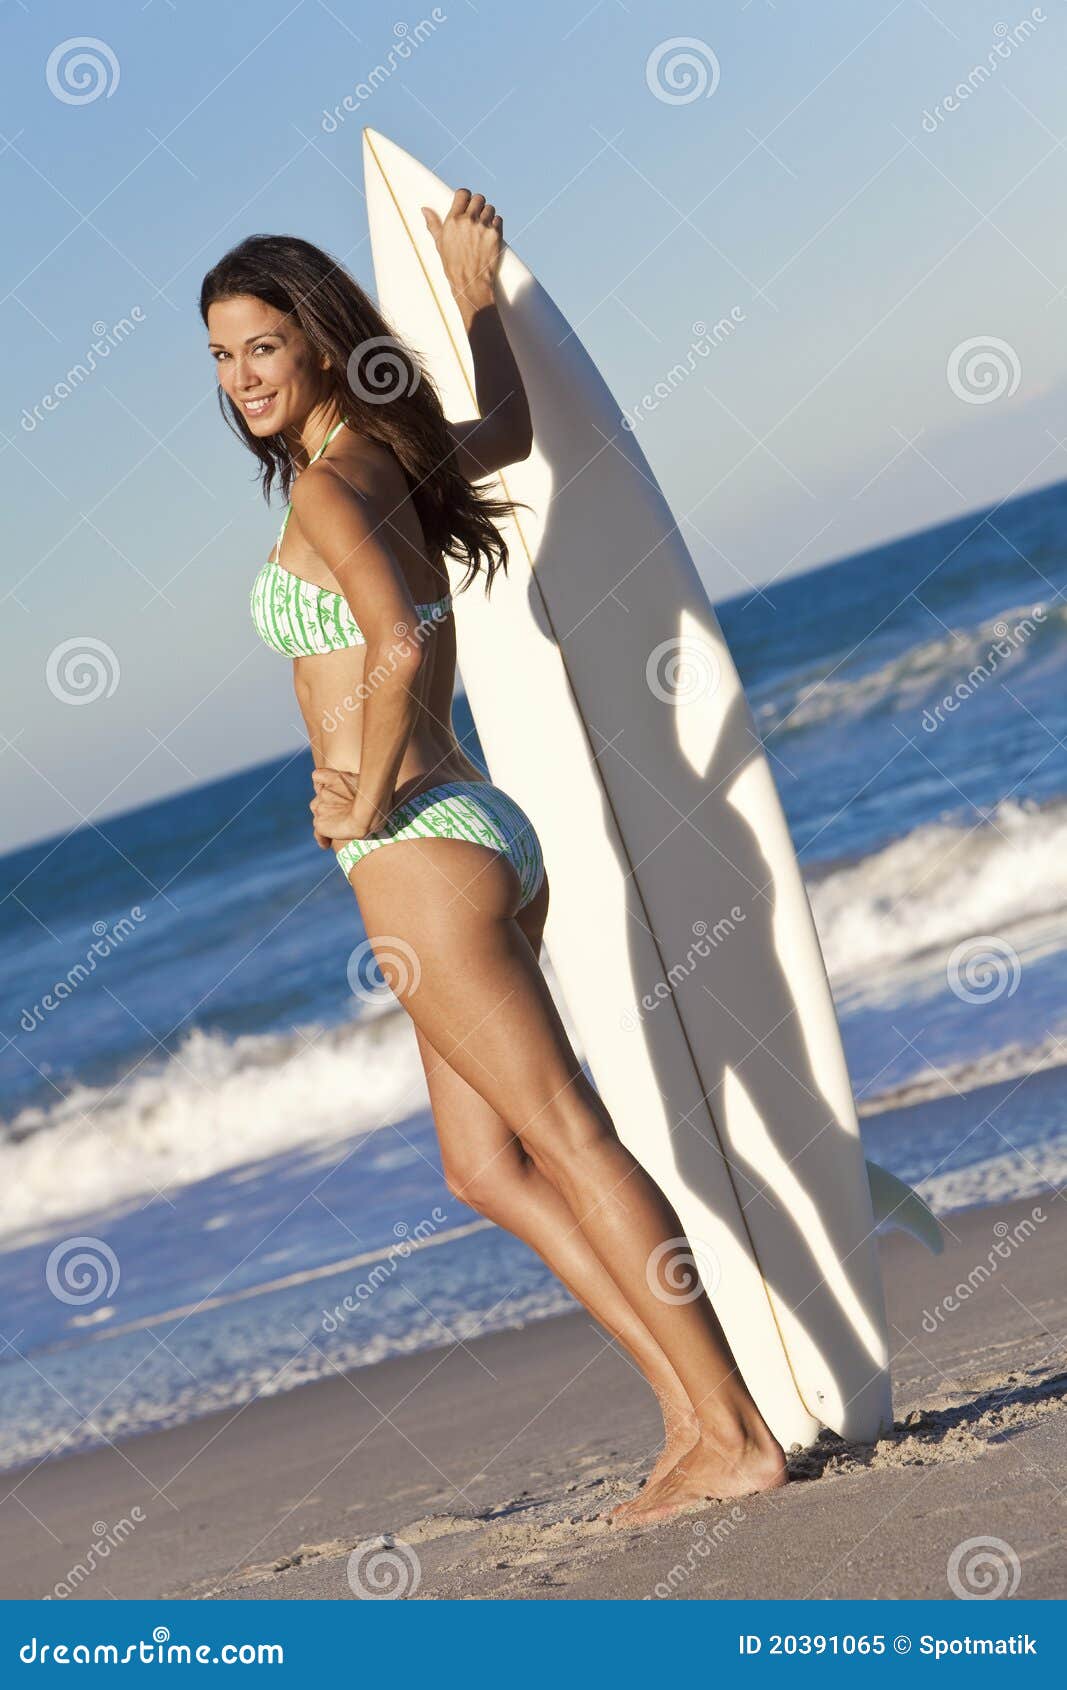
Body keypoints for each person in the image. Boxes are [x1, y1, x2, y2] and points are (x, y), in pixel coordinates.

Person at [201, 188, 787, 1525]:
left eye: (259, 348)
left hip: (420, 849)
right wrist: (474, 297)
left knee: (567, 1133)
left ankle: (736, 1430)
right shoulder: (392, 447)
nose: (238, 380)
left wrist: (362, 789)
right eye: (221, 357)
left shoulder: (326, 482)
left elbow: (399, 643)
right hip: (480, 839)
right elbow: (509, 434)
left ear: (317, 342)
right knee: (484, 1167)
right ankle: (693, 1415)